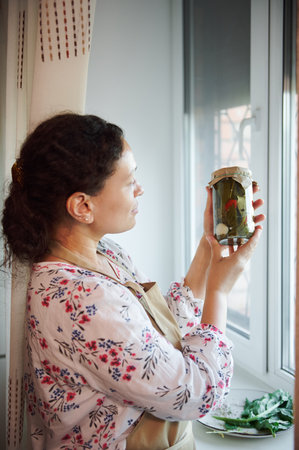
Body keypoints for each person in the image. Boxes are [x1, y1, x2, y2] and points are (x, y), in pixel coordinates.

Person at [2, 113, 264, 450]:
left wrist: (207, 248)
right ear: (82, 206)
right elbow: (196, 393)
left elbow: (158, 344)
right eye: (129, 181)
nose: (140, 189)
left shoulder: (105, 254)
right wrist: (220, 292)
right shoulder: (82, 297)